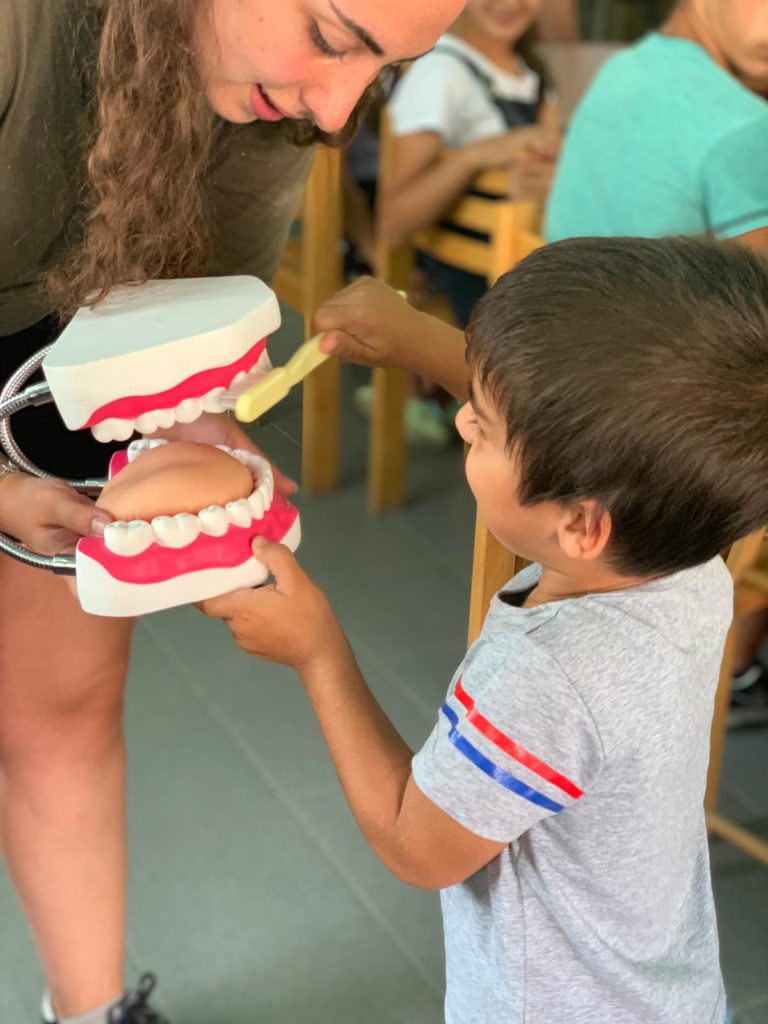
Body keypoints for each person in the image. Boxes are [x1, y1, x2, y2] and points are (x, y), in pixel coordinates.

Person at [0, 1, 463, 1022]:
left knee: (66, 706)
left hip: (77, 328)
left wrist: (188, 415)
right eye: (335, 35)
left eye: (385, 69)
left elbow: (201, 282)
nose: (340, 111)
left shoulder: (279, 93)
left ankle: (93, 1010)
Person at [201, 236, 768, 1024]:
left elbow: (417, 845)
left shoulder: (545, 680)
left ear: (580, 523)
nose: (464, 416)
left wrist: (317, 651)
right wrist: (431, 348)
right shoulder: (691, 558)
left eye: (486, 428)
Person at [545, 0, 768, 724]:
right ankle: (736, 657)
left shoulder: (621, 74)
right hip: (656, 457)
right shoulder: (740, 125)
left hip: (558, 406)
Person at [382, 0, 561, 328]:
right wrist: (473, 157)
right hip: (479, 291)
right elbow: (393, 224)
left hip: (527, 267)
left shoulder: (533, 74)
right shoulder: (440, 72)